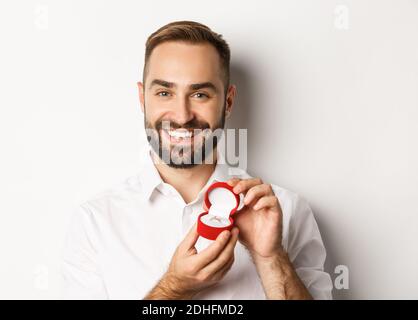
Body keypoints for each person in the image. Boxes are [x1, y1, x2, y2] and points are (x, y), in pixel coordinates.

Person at [62, 21, 333, 300]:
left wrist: (270, 258)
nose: (181, 116)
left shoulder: (287, 212)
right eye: (165, 93)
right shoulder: (95, 222)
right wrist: (173, 290)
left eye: (199, 94)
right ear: (143, 98)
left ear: (227, 102)